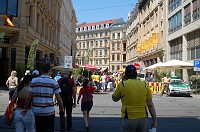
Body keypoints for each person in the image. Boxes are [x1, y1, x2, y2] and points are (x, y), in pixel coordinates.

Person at [112, 65, 157, 132]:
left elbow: (114, 98)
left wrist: (123, 82)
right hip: (143, 118)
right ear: (136, 74)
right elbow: (150, 105)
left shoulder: (123, 85)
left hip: (128, 118)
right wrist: (154, 120)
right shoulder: (144, 85)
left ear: (126, 75)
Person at [25, 63, 64, 132]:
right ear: (49, 71)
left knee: (38, 129)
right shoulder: (53, 82)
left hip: (37, 111)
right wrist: (61, 108)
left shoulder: (34, 81)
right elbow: (59, 98)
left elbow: (28, 97)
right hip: (49, 112)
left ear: (41, 71)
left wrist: (26, 107)